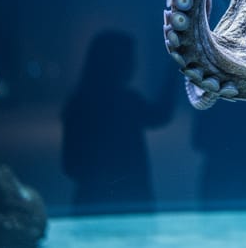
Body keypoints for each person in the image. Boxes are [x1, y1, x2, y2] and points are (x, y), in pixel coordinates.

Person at [61, 29, 176, 214]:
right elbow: (160, 115)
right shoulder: (127, 101)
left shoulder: (79, 103)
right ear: (118, 63)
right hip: (131, 197)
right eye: (130, 59)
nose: (134, 65)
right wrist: (174, 71)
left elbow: (70, 165)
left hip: (92, 201)